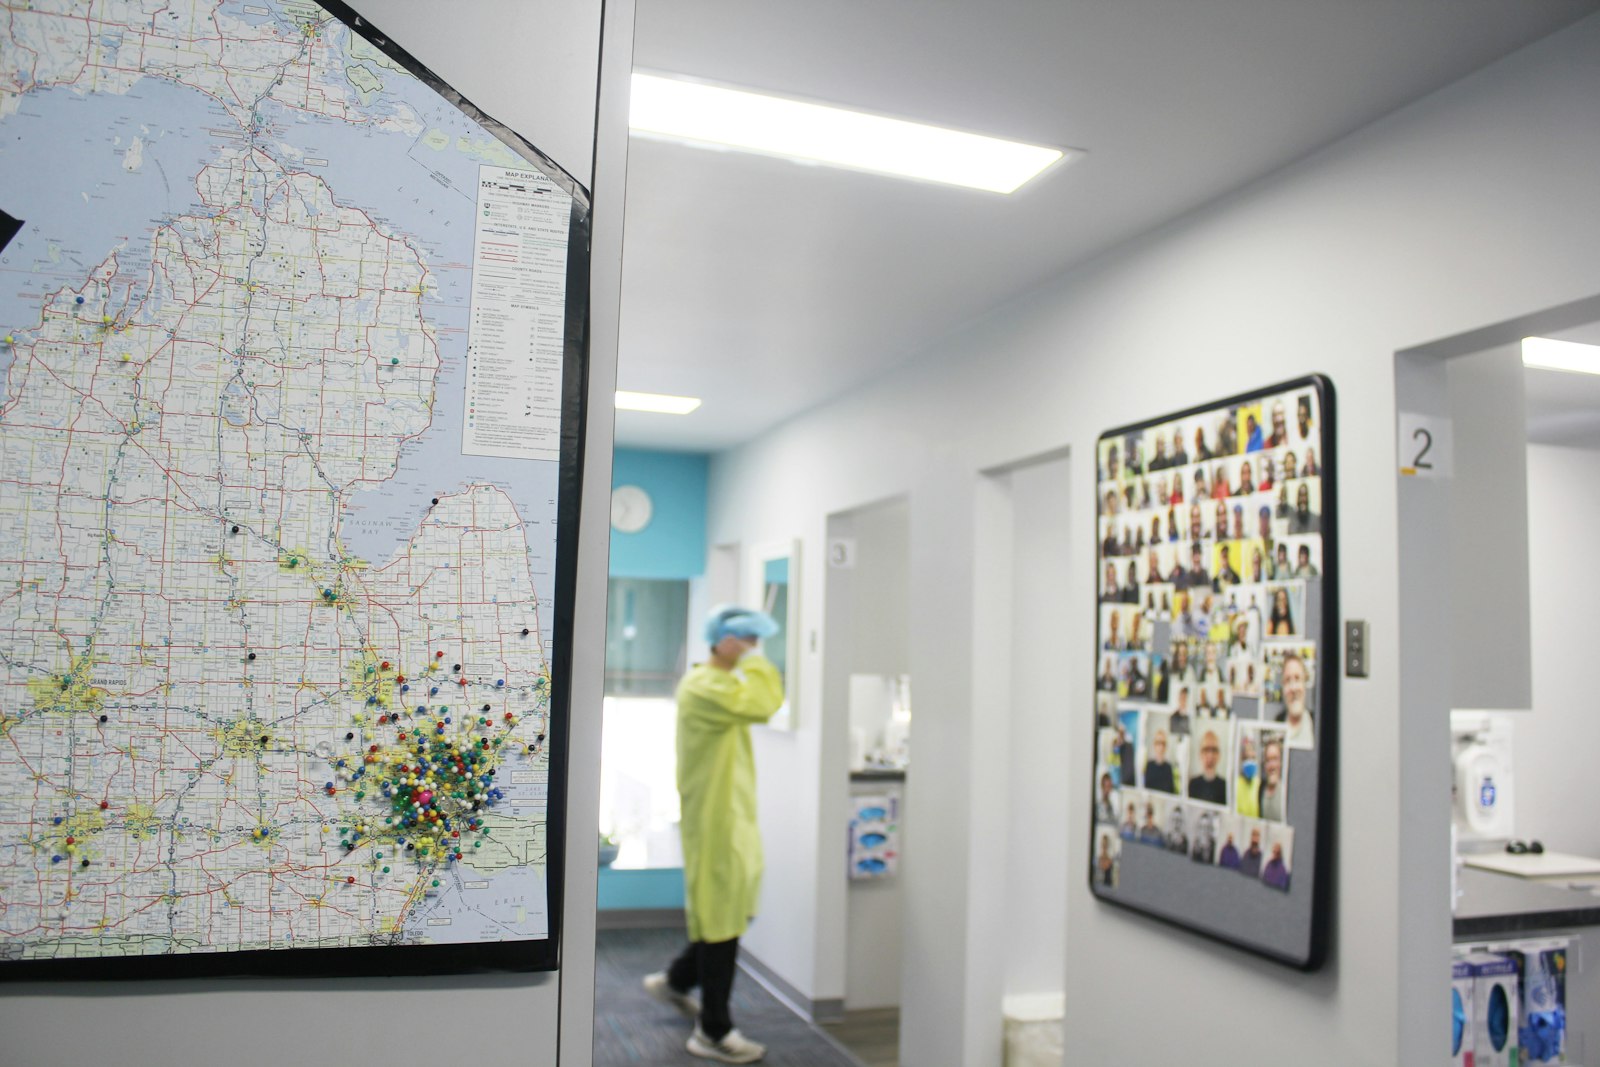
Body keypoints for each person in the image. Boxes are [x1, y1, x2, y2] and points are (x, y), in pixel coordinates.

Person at [646, 605, 785, 1064]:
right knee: (722, 918)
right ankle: (713, 1031)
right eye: (747, 640)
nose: (753, 649)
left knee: (727, 909)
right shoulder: (705, 686)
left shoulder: (718, 684)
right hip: (716, 819)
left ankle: (677, 981)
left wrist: (746, 661)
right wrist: (754, 662)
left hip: (730, 815)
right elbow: (765, 704)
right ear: (724, 640)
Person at [1274, 653, 1314, 749]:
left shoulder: (1317, 724)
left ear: (1305, 683)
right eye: (1287, 680)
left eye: (1297, 678)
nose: (1293, 688)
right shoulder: (1275, 728)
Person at [1188, 729, 1227, 804]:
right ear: (1200, 754)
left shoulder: (1225, 787)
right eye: (1206, 749)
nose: (1210, 755)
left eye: (1214, 750)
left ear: (1219, 755)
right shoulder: (1192, 784)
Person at [1257, 738, 1286, 821]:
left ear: (1281, 761)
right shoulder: (1260, 788)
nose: (1272, 765)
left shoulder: (1286, 790)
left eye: (1275, 759)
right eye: (1268, 760)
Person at [1143, 729, 1176, 793]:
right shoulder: (1149, 766)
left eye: (1163, 743)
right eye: (1158, 743)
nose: (1161, 747)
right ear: (1154, 745)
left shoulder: (1168, 768)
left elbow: (1171, 792)